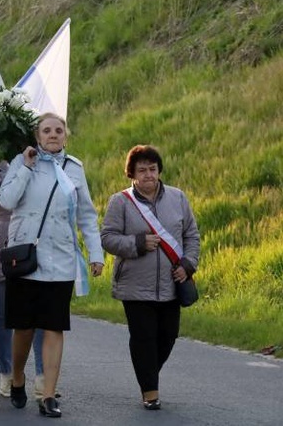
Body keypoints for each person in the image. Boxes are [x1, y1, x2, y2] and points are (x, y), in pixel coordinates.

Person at [0, 112, 104, 418]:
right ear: (37, 135)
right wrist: (27, 169)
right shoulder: (22, 162)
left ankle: (48, 395)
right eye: (47, 130)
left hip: (61, 258)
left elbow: (86, 214)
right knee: (24, 327)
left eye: (58, 130)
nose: (53, 134)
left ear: (65, 136)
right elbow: (7, 200)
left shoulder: (74, 168)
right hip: (26, 259)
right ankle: (18, 377)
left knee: (54, 326)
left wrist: (95, 254)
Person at [101, 144, 200, 411]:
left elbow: (191, 235)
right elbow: (108, 238)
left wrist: (188, 264)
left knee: (168, 335)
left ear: (159, 171)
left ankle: (147, 372)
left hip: (172, 282)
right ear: (131, 173)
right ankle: (150, 391)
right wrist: (137, 243)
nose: (148, 175)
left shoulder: (178, 198)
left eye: (152, 169)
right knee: (143, 337)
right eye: (141, 170)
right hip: (134, 285)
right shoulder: (120, 201)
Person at [0, 160, 47, 400]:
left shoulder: (44, 162)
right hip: (1, 246)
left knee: (37, 317)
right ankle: (6, 373)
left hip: (34, 244)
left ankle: (42, 377)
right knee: (2, 317)